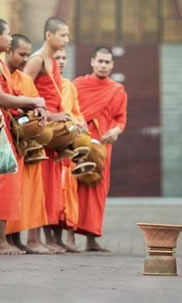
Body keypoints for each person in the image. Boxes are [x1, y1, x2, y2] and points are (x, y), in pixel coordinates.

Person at [0, 18, 45, 254]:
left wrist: (30, 108)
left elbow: (11, 95)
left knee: (4, 185)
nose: (10, 38)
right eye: (8, 34)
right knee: (0, 184)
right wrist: (32, 101)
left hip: (4, 128)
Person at [24, 17, 71, 253]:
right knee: (36, 187)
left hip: (52, 133)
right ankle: (32, 239)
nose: (67, 39)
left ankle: (41, 238)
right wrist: (50, 117)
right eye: (63, 35)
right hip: (39, 130)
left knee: (48, 189)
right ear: (49, 35)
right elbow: (22, 92)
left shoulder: (51, 61)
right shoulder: (36, 60)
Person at [73, 46, 127, 252]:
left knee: (98, 190)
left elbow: (120, 119)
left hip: (103, 146)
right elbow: (70, 110)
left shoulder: (117, 90)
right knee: (74, 187)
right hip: (80, 143)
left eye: (107, 62)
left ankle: (91, 238)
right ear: (92, 62)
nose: (103, 66)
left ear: (112, 65)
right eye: (100, 61)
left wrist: (116, 131)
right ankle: (68, 237)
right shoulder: (78, 85)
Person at [4, 34, 54, 254]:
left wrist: (40, 112)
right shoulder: (2, 74)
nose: (25, 58)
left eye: (27, 54)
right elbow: (1, 100)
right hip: (8, 140)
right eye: (21, 54)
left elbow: (35, 101)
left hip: (27, 143)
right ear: (8, 51)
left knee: (31, 192)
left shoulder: (24, 79)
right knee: (10, 190)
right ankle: (9, 239)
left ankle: (26, 239)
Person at [54, 48, 86, 252]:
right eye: (57, 58)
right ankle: (54, 238)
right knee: (55, 194)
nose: (62, 61)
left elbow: (76, 112)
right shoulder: (44, 83)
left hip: (70, 146)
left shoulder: (69, 86)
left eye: (65, 58)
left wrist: (80, 123)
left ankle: (71, 238)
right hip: (53, 146)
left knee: (71, 194)